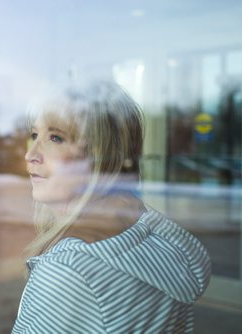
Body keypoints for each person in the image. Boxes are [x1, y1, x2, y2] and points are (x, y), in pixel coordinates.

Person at [12, 81, 211, 333]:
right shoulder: (147, 230)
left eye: (55, 137)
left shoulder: (67, 270)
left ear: (100, 156)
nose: (31, 154)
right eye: (34, 135)